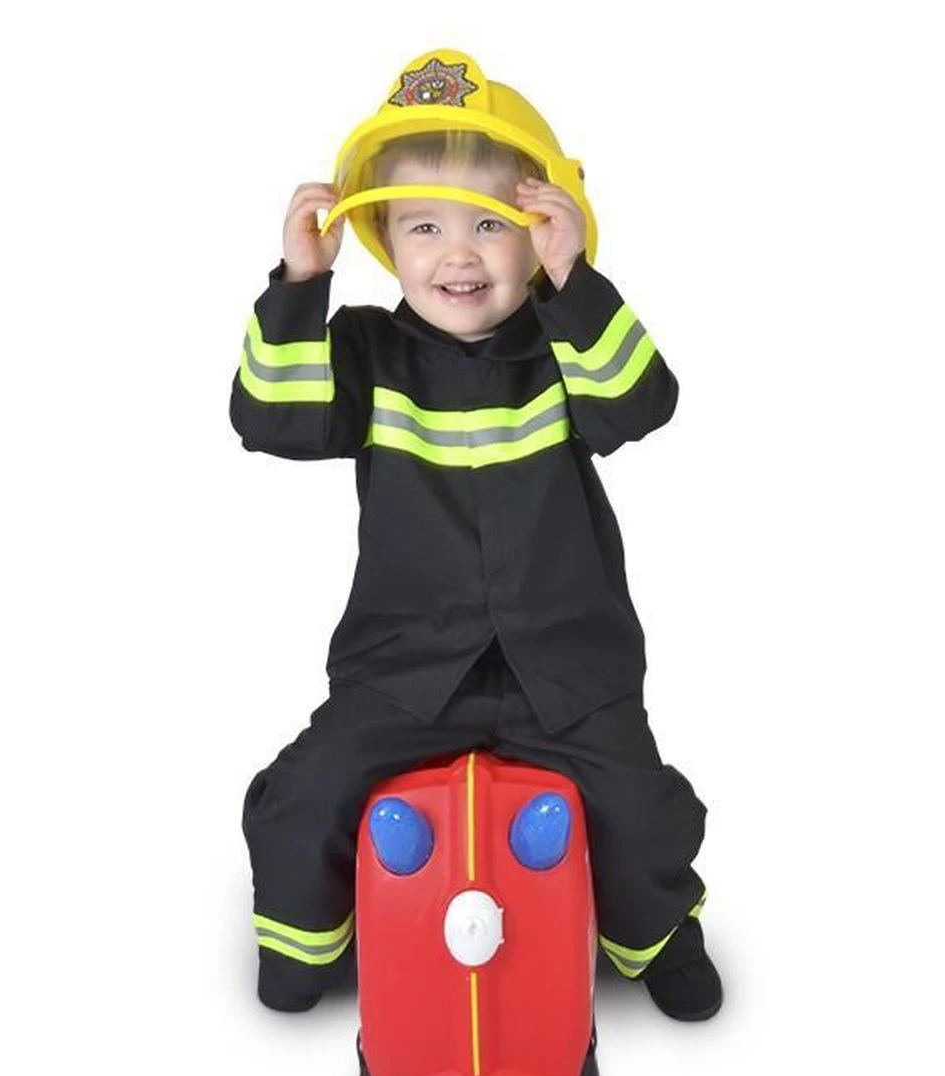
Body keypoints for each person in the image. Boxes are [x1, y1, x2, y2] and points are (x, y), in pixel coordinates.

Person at [230, 49, 722, 1021]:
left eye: (491, 225)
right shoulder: (366, 351)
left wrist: (575, 280)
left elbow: (642, 404)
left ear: (538, 237)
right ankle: (303, 933)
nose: (458, 254)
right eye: (425, 226)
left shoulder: (565, 341)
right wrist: (297, 284)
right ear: (382, 238)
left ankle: (657, 937)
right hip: (404, 665)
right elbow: (269, 419)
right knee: (306, 794)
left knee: (638, 806)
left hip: (567, 668)